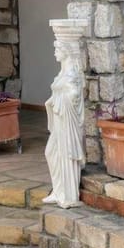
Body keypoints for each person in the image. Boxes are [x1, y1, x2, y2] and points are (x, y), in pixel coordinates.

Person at [43, 39, 84, 207]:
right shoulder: (62, 74)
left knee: (62, 153)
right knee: (51, 153)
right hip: (59, 120)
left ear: (66, 51)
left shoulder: (72, 74)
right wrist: (51, 102)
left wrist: (59, 99)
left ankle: (67, 195)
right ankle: (58, 190)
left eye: (57, 50)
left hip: (66, 121)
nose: (54, 53)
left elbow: (74, 95)